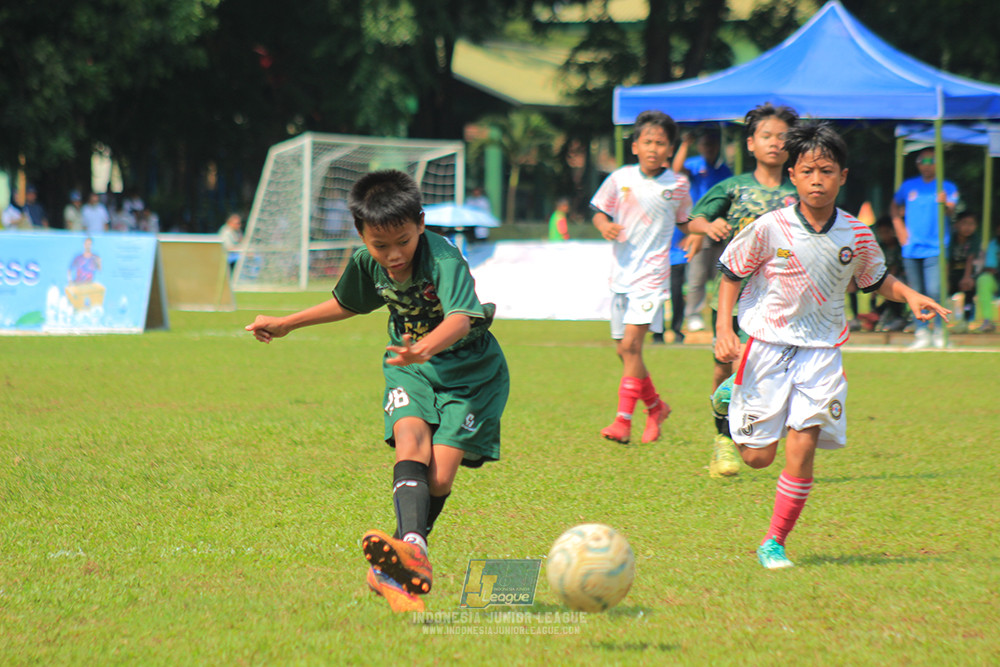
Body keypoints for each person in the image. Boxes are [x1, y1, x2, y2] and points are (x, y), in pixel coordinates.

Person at [245, 170, 509, 613]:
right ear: (361, 234)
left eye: (403, 241)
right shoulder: (367, 261)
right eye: (380, 245)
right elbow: (347, 302)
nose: (393, 254)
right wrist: (287, 323)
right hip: (409, 367)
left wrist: (424, 347)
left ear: (420, 223)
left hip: (471, 373)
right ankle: (412, 551)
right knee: (410, 441)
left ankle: (392, 568)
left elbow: (461, 318)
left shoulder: (443, 259)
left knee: (440, 478)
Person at [713, 121, 950, 570]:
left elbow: (876, 280)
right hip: (766, 345)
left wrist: (910, 295)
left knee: (803, 444)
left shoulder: (856, 234)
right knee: (758, 458)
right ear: (793, 176)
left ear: (842, 176)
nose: (817, 180)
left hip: (822, 350)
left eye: (826, 171)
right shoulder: (771, 227)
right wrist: (725, 329)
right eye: (807, 171)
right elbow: (730, 272)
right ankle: (729, 401)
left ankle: (774, 542)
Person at [678, 103, 799, 478]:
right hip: (732, 295)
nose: (775, 143)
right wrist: (708, 226)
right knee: (724, 367)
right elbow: (692, 220)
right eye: (766, 136)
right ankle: (722, 439)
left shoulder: (800, 190)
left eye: (782, 137)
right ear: (750, 143)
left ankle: (745, 433)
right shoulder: (734, 187)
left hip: (780, 300)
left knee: (752, 366)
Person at [591, 110, 691, 445]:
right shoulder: (620, 178)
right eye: (647, 142)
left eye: (660, 143)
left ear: (670, 149)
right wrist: (604, 225)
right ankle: (656, 407)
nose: (653, 148)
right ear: (635, 146)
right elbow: (599, 211)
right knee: (625, 351)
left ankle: (623, 422)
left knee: (632, 345)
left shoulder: (677, 184)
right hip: (622, 274)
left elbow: (686, 220)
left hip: (652, 276)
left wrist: (700, 232)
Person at [890, 147, 960, 349]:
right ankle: (921, 332)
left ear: (938, 164)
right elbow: (894, 206)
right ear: (918, 164)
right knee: (915, 291)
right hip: (911, 247)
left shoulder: (946, 186)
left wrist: (944, 204)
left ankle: (939, 330)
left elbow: (951, 210)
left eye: (932, 161)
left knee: (935, 290)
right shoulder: (908, 186)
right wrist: (899, 228)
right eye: (923, 161)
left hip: (936, 247)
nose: (927, 165)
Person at [672, 129, 733, 333]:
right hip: (699, 226)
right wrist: (684, 144)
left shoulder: (724, 170)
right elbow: (676, 169)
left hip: (719, 227)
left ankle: (719, 315)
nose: (709, 149)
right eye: (705, 144)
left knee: (720, 276)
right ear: (700, 146)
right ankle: (694, 315)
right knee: (696, 276)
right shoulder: (695, 164)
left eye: (712, 144)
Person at [948, 211, 979, 332]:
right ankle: (942, 319)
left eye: (971, 224)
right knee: (942, 288)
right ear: (957, 224)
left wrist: (967, 277)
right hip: (952, 272)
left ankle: (966, 320)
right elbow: (946, 260)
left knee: (969, 288)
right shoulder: (951, 238)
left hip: (968, 272)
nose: (968, 227)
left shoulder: (974, 239)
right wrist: (945, 279)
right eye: (964, 223)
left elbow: (970, 259)